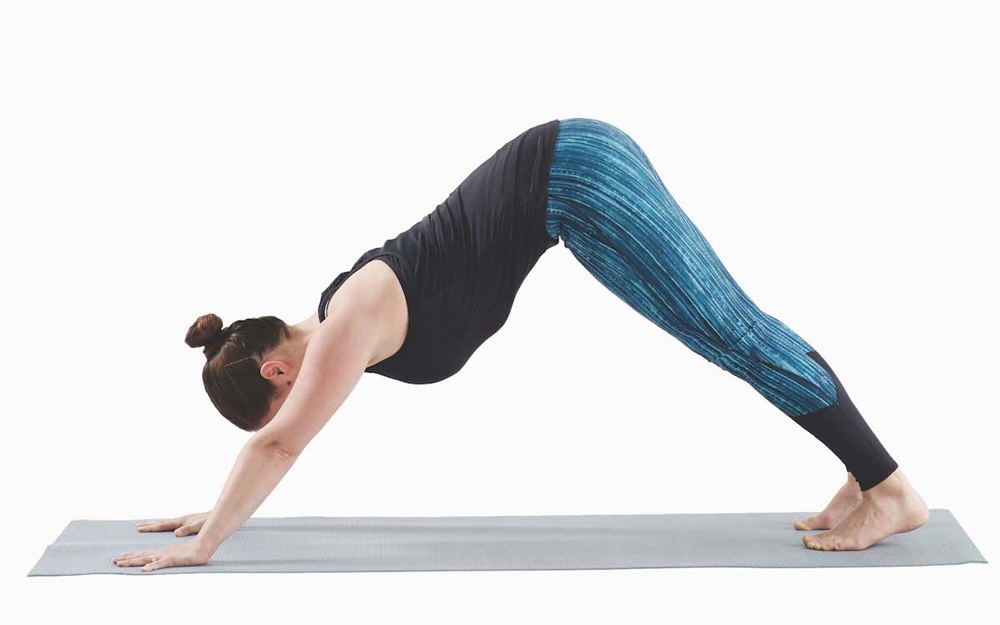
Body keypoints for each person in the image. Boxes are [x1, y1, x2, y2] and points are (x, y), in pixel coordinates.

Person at [113, 117, 928, 571]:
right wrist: (220, 510)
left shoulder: (346, 323)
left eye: (276, 403)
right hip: (570, 194)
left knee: (735, 332)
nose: (298, 408)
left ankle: (890, 489)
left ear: (276, 369)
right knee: (728, 336)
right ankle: (863, 471)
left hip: (576, 176)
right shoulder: (334, 317)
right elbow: (278, 440)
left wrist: (211, 540)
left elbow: (281, 447)